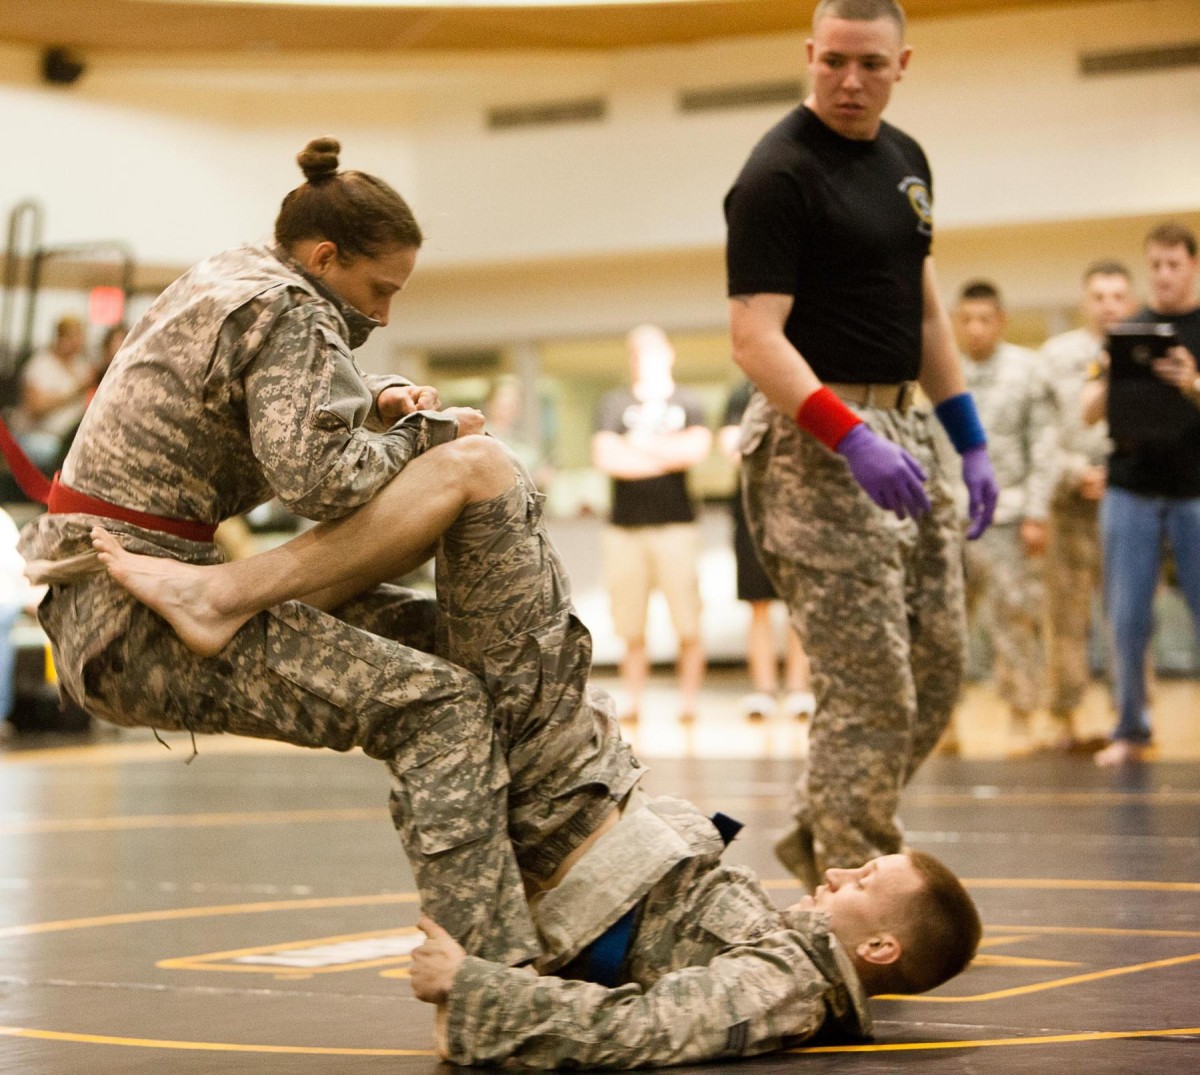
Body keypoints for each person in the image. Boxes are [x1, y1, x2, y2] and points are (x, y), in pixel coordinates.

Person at [86, 481, 981, 1070]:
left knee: (482, 478)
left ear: (879, 950)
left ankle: (186, 607)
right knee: (412, 617)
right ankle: (182, 612)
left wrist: (474, 985)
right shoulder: (789, 951)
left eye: (864, 880)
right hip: (581, 777)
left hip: (561, 796)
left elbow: (642, 1031)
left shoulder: (784, 983)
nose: (836, 871)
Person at [16, 136, 617, 967]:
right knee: (438, 706)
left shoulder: (236, 275)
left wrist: (372, 405)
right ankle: (492, 980)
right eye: (380, 290)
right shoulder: (292, 307)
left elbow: (261, 410)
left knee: (466, 649)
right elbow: (322, 485)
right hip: (135, 616)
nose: (386, 314)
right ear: (326, 257)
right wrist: (422, 439)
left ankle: (565, 890)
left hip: (127, 593)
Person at [724, 0, 998, 889]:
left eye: (870, 64)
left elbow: (922, 308)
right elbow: (754, 337)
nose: (850, 80)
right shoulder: (778, 174)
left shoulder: (906, 159)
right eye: (835, 60)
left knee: (938, 667)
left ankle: (821, 835)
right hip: (817, 438)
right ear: (810, 54)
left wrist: (969, 438)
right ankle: (856, 885)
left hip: (908, 423)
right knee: (870, 687)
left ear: (901, 63)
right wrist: (849, 439)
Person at [1082, 222, 1200, 766]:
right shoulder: (1127, 330)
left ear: (1193, 266)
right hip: (1130, 487)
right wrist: (1113, 373)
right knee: (1126, 616)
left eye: (1174, 264)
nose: (1164, 275)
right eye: (1155, 265)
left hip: (1193, 489)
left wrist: (1190, 381)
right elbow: (1086, 411)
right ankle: (1131, 726)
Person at [952, 280, 1056, 756]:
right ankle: (946, 719)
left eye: (984, 319)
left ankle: (1021, 715)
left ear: (1001, 320)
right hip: (950, 519)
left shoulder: (1027, 370)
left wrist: (1037, 511)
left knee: (1015, 617)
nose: (975, 328)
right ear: (955, 321)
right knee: (944, 626)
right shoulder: (940, 372)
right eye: (966, 319)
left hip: (1010, 514)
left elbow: (1044, 442)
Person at [591, 324, 713, 722]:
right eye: (637, 352)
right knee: (630, 624)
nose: (644, 359)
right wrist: (664, 454)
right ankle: (635, 702)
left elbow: (694, 450)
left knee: (688, 620)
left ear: (668, 354)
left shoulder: (688, 401)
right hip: (625, 529)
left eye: (652, 351)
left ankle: (690, 703)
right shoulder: (614, 403)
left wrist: (637, 447)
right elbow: (607, 457)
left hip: (676, 525)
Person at [1040, 261, 1136, 751]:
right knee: (1067, 614)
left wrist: (1118, 472)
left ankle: (1133, 714)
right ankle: (1065, 716)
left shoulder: (1148, 350)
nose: (1108, 305)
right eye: (1099, 295)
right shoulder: (1056, 356)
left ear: (1131, 302)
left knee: (1128, 613)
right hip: (1070, 502)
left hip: (1131, 497)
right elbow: (1044, 430)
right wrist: (1078, 471)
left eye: (1118, 296)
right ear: (1085, 301)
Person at [719, 379, 813, 720]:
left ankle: (799, 688)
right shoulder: (742, 392)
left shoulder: (801, 383)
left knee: (797, 603)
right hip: (751, 510)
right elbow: (731, 448)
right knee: (757, 603)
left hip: (799, 509)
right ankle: (764, 690)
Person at [10, 315, 97, 476]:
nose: (78, 342)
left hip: (72, 438)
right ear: (61, 338)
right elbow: (36, 409)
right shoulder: (39, 365)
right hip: (38, 436)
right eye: (73, 337)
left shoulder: (82, 367)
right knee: (58, 452)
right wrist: (75, 391)